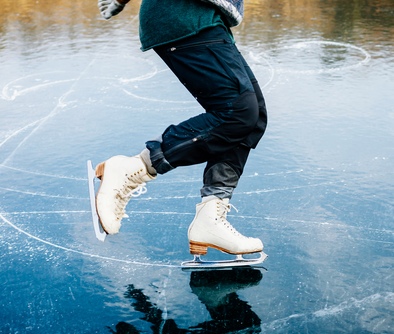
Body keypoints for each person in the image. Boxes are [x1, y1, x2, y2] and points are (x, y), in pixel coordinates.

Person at [94, 0, 267, 257]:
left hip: (205, 16)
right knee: (238, 112)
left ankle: (211, 217)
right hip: (184, 14)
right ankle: (132, 169)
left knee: (252, 117)